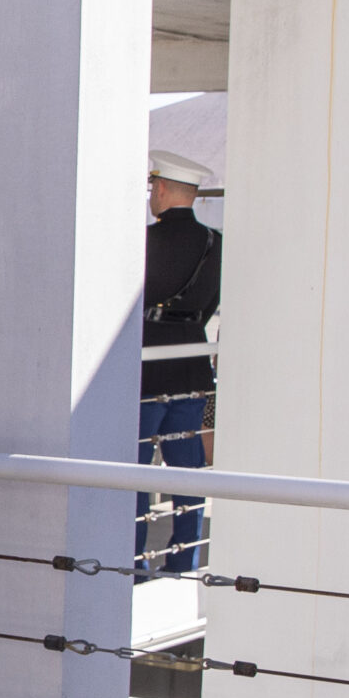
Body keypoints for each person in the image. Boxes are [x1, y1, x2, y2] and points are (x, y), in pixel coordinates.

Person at [137, 149, 221, 575]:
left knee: (133, 473)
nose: (152, 194)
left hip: (146, 368)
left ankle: (130, 561)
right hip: (190, 362)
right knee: (188, 474)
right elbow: (209, 305)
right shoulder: (215, 243)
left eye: (153, 187)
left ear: (164, 189)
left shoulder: (143, 241)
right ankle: (182, 564)